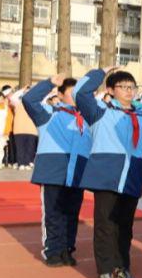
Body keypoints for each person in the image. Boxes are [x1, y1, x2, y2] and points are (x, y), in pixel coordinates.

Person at [74, 68, 142, 278]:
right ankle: (104, 270)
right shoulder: (100, 111)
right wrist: (100, 73)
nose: (129, 91)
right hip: (107, 176)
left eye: (132, 87)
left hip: (133, 176)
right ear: (110, 90)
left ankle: (122, 267)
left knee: (125, 227)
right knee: (105, 225)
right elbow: (80, 93)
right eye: (123, 87)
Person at [23, 76, 92, 267]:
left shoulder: (88, 118)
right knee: (53, 214)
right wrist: (50, 82)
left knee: (71, 214)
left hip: (77, 173)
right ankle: (53, 251)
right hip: (53, 172)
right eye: (70, 93)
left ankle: (67, 249)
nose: (75, 97)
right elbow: (29, 100)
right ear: (60, 95)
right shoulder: (48, 113)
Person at [9, 87, 39, 170]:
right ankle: (21, 163)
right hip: (19, 129)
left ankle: (27, 162)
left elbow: (43, 99)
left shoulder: (35, 104)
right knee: (20, 148)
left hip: (32, 129)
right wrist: (22, 90)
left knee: (30, 148)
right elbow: (13, 97)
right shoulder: (18, 103)